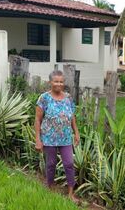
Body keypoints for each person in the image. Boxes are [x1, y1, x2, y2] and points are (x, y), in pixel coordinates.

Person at [34, 70, 80, 203]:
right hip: (49, 138)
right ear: (50, 82)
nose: (59, 84)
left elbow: (72, 117)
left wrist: (76, 132)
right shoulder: (44, 98)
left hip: (65, 138)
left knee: (69, 163)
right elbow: (37, 120)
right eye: (56, 81)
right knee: (51, 164)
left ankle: (71, 194)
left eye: (61, 81)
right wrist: (38, 139)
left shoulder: (68, 98)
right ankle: (49, 187)